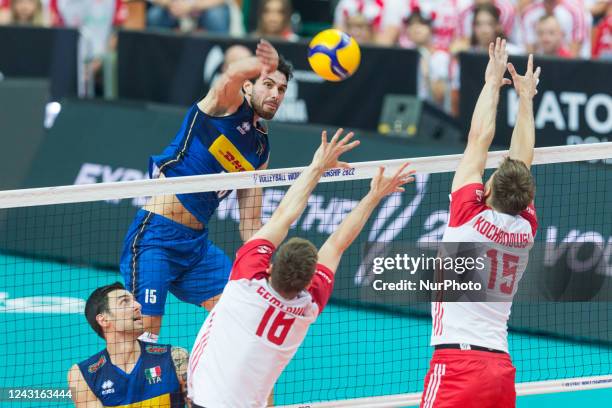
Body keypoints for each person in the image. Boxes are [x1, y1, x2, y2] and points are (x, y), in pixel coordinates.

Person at [187, 130, 415, 408]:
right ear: (309, 282)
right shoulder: (309, 306)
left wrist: (318, 166)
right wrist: (374, 196)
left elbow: (284, 214)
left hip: (204, 400)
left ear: (269, 269)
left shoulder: (247, 280)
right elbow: (337, 245)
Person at [119, 39, 294, 343]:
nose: (275, 95)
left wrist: (268, 263)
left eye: (281, 90)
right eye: (268, 84)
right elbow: (231, 74)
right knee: (145, 336)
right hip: (156, 237)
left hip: (197, 248)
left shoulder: (260, 149)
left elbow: (250, 223)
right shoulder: (225, 106)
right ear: (248, 88)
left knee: (238, 317)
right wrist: (265, 63)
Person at [420, 38, 539, 408]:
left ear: (487, 190)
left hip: (456, 365)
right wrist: (525, 100)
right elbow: (522, 163)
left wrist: (491, 83)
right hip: (501, 369)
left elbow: (478, 140)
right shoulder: (526, 229)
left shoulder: (468, 216)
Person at [68, 282, 189, 407]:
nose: (138, 305)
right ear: (103, 320)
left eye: (134, 300)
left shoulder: (175, 357)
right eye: (125, 302)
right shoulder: (83, 375)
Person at [147, 0, 230, 33]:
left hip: (204, 7)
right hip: (172, 7)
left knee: (216, 16)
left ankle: (222, 55)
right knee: (155, 16)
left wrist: (191, 6)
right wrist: (171, 4)